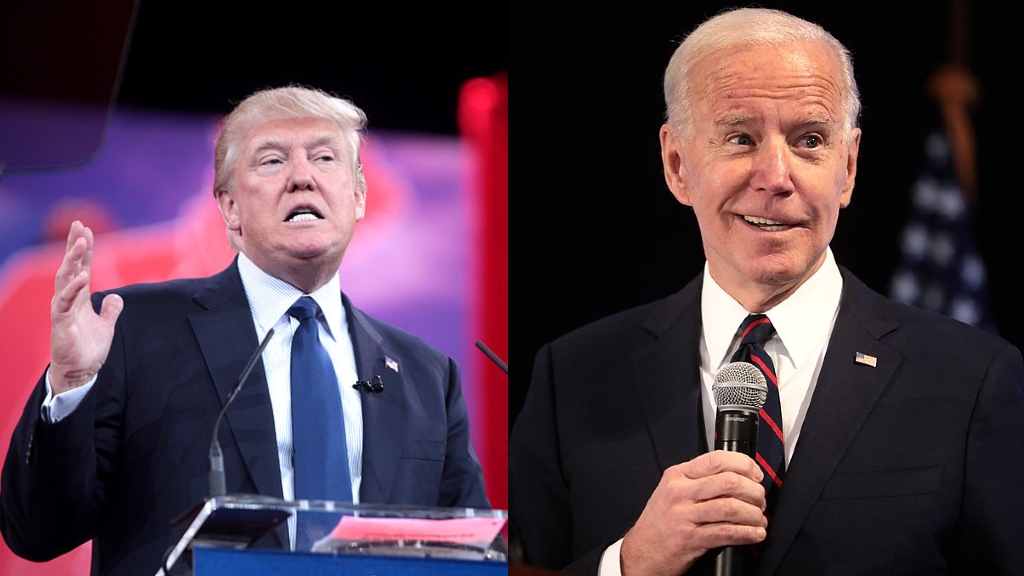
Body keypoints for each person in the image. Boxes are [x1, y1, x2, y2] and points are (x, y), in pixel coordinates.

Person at [509, 7, 1024, 575]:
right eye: (739, 137)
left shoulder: (973, 378)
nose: (777, 176)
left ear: (848, 166)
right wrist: (630, 563)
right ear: (677, 163)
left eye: (809, 140)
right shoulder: (575, 375)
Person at [0, 86, 490, 576]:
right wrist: (70, 386)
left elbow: (467, 556)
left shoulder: (427, 375)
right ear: (230, 208)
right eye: (272, 161)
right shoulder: (133, 329)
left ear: (357, 197)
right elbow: (38, 533)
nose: (302, 177)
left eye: (324, 157)